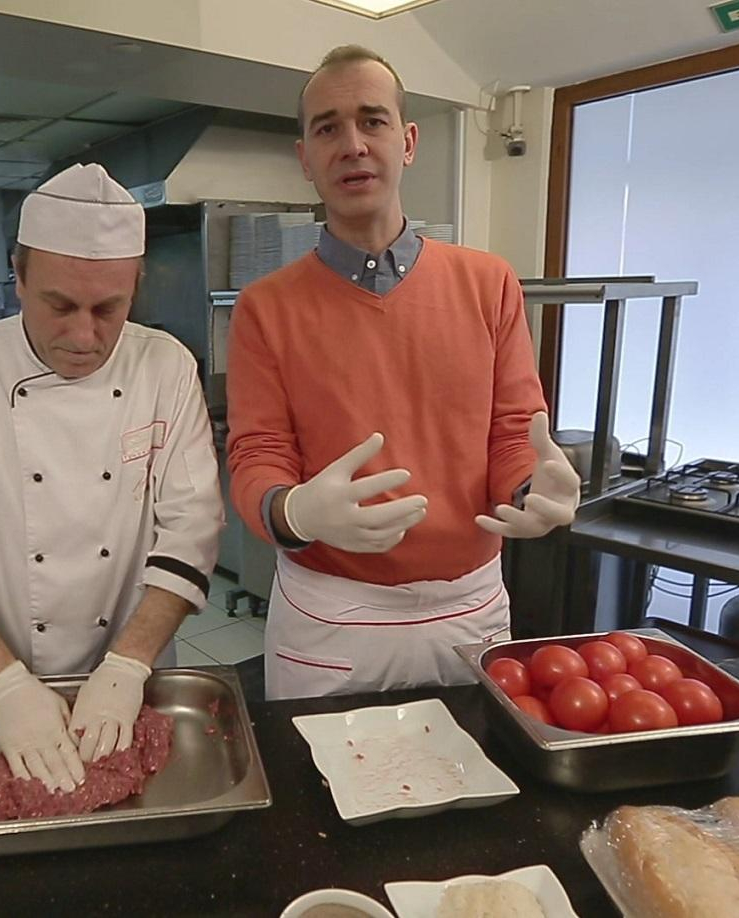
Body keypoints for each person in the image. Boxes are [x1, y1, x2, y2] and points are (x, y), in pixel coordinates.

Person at [226, 45, 580, 700]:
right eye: (328, 128)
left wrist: (533, 488)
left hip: (469, 608)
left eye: (372, 121)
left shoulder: (488, 283)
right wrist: (294, 510)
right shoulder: (265, 308)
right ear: (305, 158)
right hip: (332, 617)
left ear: (408, 141)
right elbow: (257, 453)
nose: (352, 145)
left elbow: (512, 434)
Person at [0, 163, 222, 791]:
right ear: (18, 277)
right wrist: (6, 686)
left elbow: (193, 524)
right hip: (0, 668)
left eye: (109, 308)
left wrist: (127, 667)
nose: (83, 335)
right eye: (59, 305)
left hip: (135, 669)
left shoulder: (165, 367)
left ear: (136, 286)